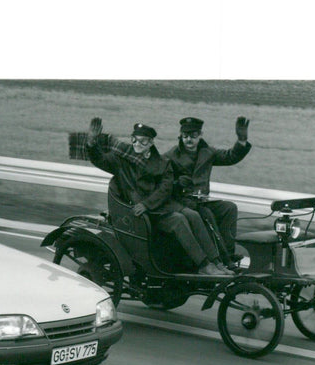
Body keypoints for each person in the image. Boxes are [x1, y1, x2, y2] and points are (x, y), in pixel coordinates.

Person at [85, 118, 231, 276]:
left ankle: (216, 262)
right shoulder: (122, 161)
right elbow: (100, 159)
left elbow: (166, 188)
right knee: (178, 220)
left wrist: (148, 204)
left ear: (150, 143)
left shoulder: (162, 162)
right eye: (134, 140)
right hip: (141, 213)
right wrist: (92, 143)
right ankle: (203, 265)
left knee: (193, 215)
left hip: (157, 206)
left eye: (142, 142)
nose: (136, 145)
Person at [165, 116, 252, 261]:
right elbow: (161, 179)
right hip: (182, 202)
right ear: (180, 136)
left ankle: (229, 253)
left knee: (229, 208)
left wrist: (241, 140)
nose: (189, 140)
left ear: (200, 135)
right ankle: (220, 258)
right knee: (206, 214)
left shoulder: (207, 153)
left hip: (200, 201)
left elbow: (230, 157)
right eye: (185, 136)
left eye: (193, 136)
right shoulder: (171, 155)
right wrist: (177, 183)